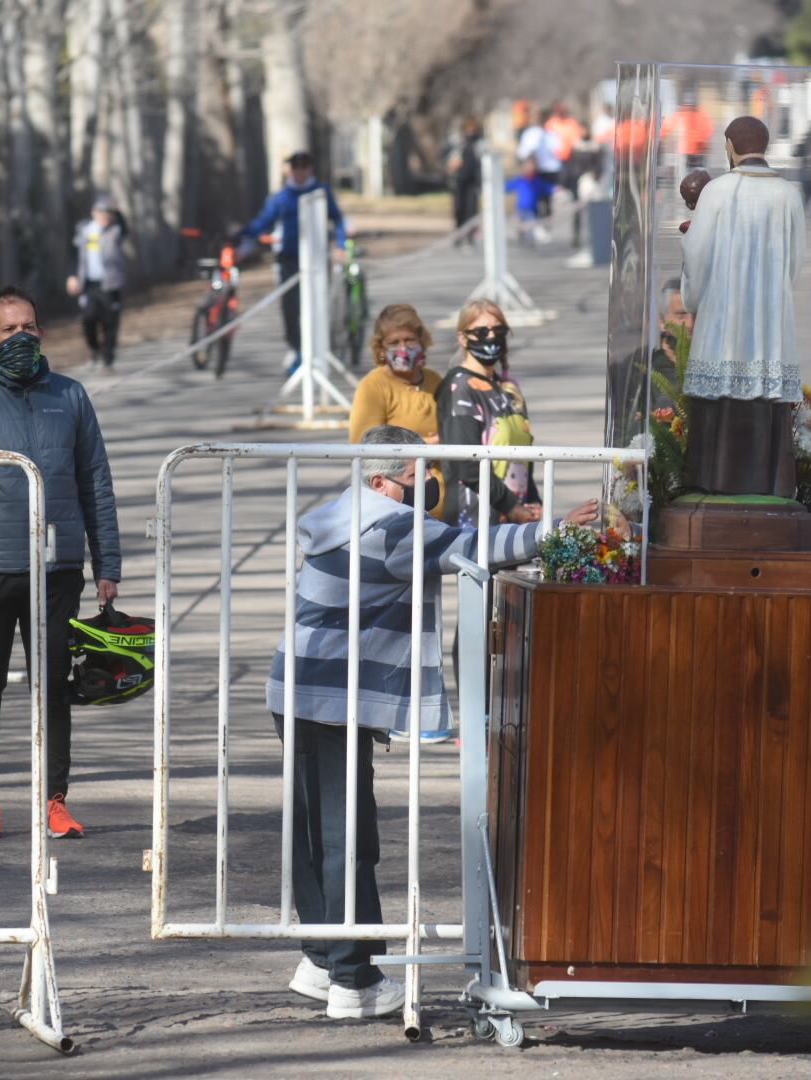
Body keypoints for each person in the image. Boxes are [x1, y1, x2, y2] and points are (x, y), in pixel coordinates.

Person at [267, 424, 596, 1020]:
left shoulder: (338, 514)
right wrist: (559, 528)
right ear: (379, 481)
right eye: (416, 477)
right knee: (348, 837)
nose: (429, 486)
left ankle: (320, 959)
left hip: (296, 687)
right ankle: (355, 980)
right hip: (329, 695)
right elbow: (477, 546)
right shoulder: (388, 527)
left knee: (313, 833)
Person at [0, 286, 121, 841]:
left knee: (54, 687)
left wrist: (107, 561)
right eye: (10, 330)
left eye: (30, 327)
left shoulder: (70, 395)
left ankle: (55, 802)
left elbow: (95, 481)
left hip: (57, 571)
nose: (22, 337)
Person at [679, 116, 806, 498]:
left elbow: (697, 255)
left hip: (723, 320)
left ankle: (714, 482)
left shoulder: (717, 191)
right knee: (764, 400)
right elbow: (796, 262)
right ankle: (769, 483)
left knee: (720, 404)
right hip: (770, 322)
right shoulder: (788, 195)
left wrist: (694, 298)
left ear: (730, 145)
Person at [238, 150, 348, 377]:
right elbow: (264, 222)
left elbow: (337, 219)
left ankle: (317, 350)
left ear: (310, 169)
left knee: (316, 305)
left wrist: (340, 244)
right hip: (288, 258)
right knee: (291, 308)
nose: (300, 171)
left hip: (317, 259)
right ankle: (296, 349)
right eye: (295, 167)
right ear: (290, 169)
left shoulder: (321, 192)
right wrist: (242, 234)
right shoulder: (280, 197)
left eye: (304, 167)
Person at [436, 299, 540, 529]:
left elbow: (523, 460)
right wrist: (511, 507)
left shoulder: (509, 388)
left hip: (517, 520)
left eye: (499, 330)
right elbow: (467, 464)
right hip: (474, 523)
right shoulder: (459, 387)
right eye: (481, 332)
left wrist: (534, 502)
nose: (491, 337)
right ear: (463, 338)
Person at [347, 304, 444, 517]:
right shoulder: (372, 386)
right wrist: (425, 448)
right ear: (381, 349)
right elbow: (364, 449)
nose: (403, 348)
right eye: (393, 342)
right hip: (398, 513)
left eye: (409, 340)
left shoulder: (435, 380)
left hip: (444, 507)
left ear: (421, 340)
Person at [65, 194, 130, 369]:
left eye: (109, 213)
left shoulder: (116, 230)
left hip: (111, 285)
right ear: (93, 212)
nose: (105, 217)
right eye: (101, 212)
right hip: (90, 284)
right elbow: (74, 255)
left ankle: (108, 358)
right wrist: (72, 276)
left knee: (110, 322)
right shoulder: (84, 230)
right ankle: (94, 349)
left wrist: (116, 211)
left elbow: (124, 228)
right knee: (88, 318)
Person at [446, 119, 484, 245]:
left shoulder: (480, 144)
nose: (470, 131)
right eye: (468, 129)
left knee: (471, 210)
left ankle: (470, 235)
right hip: (459, 182)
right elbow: (449, 162)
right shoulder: (458, 144)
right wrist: (453, 165)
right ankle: (458, 235)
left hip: (473, 182)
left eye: (473, 129)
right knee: (459, 209)